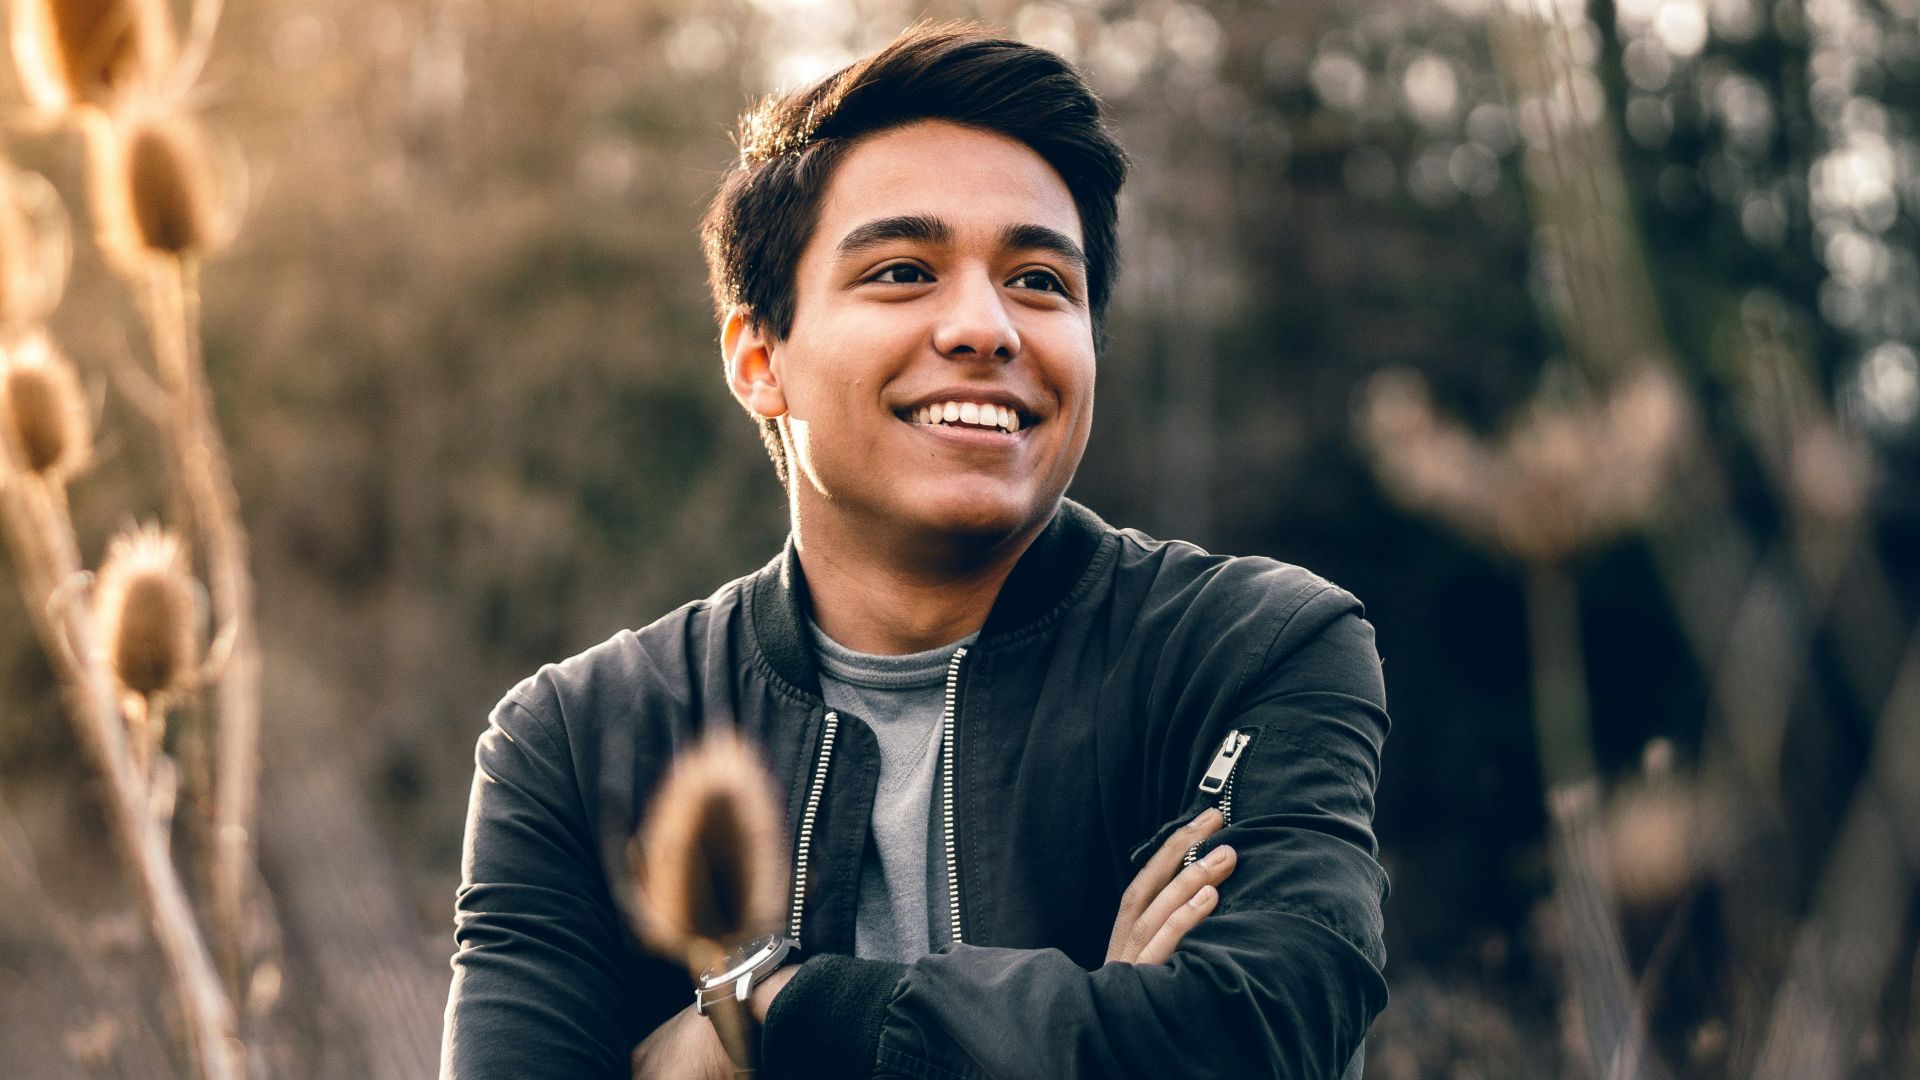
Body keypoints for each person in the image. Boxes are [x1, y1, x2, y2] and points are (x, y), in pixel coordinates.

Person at [440, 23, 1389, 1080]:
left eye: (1040, 281)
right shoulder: (580, 743)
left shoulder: (1248, 652)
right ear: (759, 358)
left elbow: (1258, 1039)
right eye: (902, 271)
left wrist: (768, 1018)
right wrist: (1101, 1019)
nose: (987, 327)